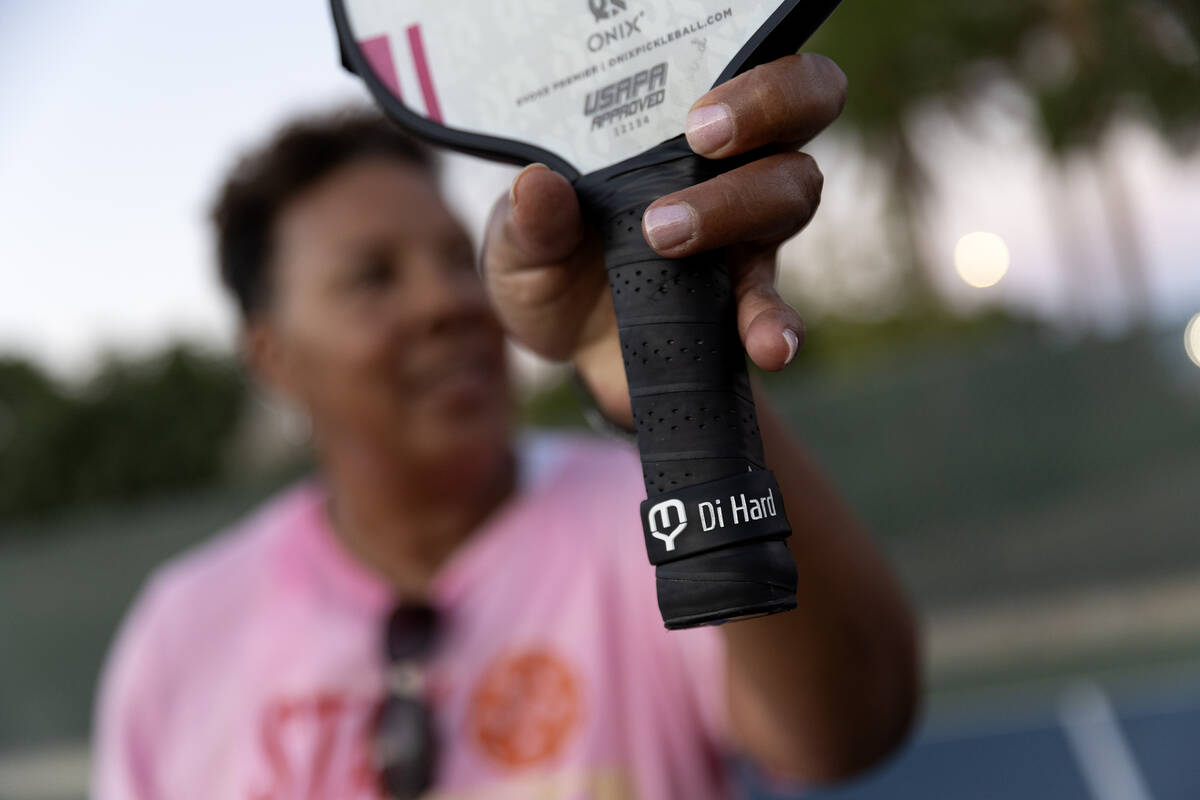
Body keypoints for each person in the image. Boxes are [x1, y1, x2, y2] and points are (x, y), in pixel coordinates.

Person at [93, 53, 918, 799]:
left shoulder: (633, 519)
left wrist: (666, 384)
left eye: (458, 260)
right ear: (272, 357)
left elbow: (846, 730)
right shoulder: (183, 633)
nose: (446, 301)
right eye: (373, 279)